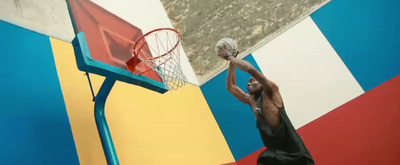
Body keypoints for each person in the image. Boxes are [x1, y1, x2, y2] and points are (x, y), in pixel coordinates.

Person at [215, 38, 315, 165]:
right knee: (264, 158)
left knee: (265, 157)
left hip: (295, 153)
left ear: (262, 84)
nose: (248, 83)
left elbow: (251, 70)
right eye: (248, 83)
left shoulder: (271, 92)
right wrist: (232, 62)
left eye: (252, 81)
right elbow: (230, 87)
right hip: (276, 154)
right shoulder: (251, 100)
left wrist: (230, 57)